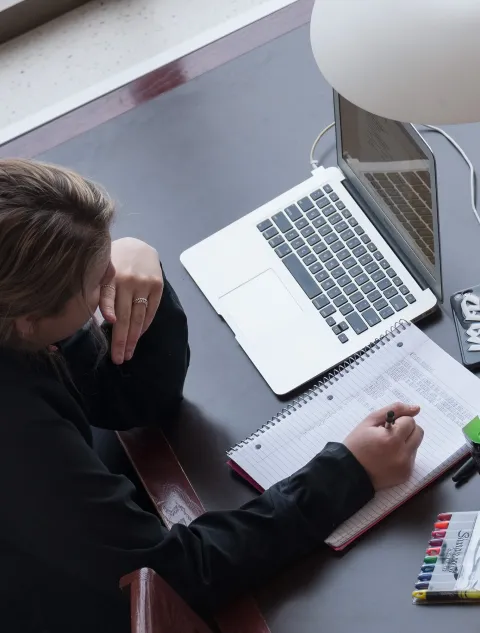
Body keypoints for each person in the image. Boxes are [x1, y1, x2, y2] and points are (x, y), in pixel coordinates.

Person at [0, 158, 424, 633]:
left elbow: (131, 400)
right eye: (96, 283)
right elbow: (176, 574)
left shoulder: (22, 326)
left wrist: (142, 270)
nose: (110, 281)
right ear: (29, 320)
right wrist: (347, 474)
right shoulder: (19, 435)